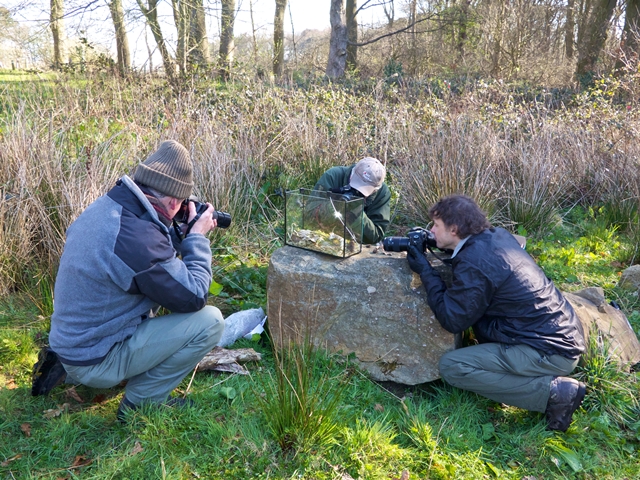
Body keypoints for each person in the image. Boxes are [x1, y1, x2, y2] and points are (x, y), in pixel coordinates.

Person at [45, 140, 225, 422]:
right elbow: (193, 296)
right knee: (211, 320)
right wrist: (197, 239)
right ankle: (142, 404)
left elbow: (146, 258)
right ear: (174, 202)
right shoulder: (136, 238)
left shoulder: (111, 207)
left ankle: (77, 368)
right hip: (94, 360)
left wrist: (178, 238)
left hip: (73, 344)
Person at [405, 194, 586, 432]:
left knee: (453, 366)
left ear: (454, 229)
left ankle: (555, 394)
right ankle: (528, 382)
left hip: (551, 352)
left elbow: (452, 319)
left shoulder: (475, 264)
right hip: (562, 335)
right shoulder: (497, 237)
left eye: (436, 226)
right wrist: (440, 245)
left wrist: (425, 270)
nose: (431, 230)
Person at [313, 157, 391, 244]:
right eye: (356, 184)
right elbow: (308, 214)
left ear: (375, 189)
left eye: (363, 190)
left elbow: (375, 237)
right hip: (323, 237)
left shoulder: (382, 193)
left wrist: (357, 213)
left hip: (356, 244)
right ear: (352, 173)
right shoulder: (333, 176)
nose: (356, 190)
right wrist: (334, 204)